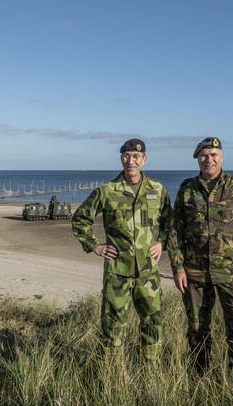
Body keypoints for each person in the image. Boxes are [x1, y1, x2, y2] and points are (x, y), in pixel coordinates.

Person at [167, 137, 233, 372]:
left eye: (213, 155)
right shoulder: (187, 189)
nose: (208, 159)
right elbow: (174, 231)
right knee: (197, 331)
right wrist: (178, 268)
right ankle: (201, 379)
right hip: (195, 274)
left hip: (232, 274)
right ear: (197, 159)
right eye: (204, 155)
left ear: (222, 157)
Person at [71, 138, 172, 359]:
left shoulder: (157, 189)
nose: (131, 161)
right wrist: (95, 246)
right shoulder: (107, 191)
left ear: (144, 160)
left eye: (136, 156)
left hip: (148, 272)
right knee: (113, 325)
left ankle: (151, 370)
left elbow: (169, 221)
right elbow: (80, 219)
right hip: (117, 272)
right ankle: (113, 372)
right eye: (126, 156)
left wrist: (162, 242)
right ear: (121, 159)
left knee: (153, 322)